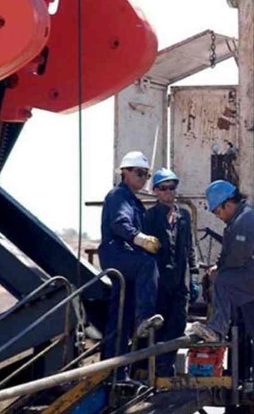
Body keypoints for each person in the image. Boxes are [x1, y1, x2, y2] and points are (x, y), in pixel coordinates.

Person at [187, 180, 254, 395]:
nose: (217, 216)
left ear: (228, 204)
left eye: (217, 211)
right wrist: (218, 266)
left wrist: (219, 272)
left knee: (224, 281)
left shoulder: (245, 221)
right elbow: (229, 253)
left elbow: (237, 257)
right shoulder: (238, 220)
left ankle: (216, 329)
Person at [99, 151, 163, 373]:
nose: (143, 178)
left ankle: (114, 372)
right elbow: (120, 223)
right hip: (116, 253)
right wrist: (141, 239)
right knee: (147, 264)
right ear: (124, 173)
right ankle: (144, 316)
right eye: (139, 173)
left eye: (146, 174)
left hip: (124, 257)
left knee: (121, 314)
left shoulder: (134, 201)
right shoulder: (119, 195)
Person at [143, 168, 199, 378]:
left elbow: (189, 247)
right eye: (163, 188)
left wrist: (194, 274)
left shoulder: (184, 216)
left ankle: (165, 367)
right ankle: (156, 369)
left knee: (178, 324)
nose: (168, 192)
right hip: (158, 281)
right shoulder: (149, 217)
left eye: (171, 187)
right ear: (156, 191)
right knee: (159, 326)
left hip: (180, 280)